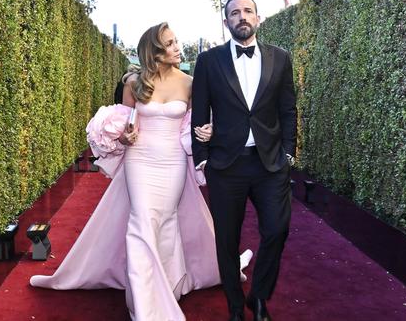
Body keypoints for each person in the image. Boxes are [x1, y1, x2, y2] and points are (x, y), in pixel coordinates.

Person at [31, 22, 251, 321]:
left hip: (172, 161)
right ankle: (143, 305)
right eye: (170, 44)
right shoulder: (135, 83)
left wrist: (207, 133)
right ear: (155, 53)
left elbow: (200, 123)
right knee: (141, 222)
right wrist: (123, 137)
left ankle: (171, 284)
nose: (177, 47)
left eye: (176, 41)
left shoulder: (190, 83)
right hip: (140, 160)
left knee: (167, 222)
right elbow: (125, 122)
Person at [191, 0, 297, 321]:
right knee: (227, 240)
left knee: (277, 231)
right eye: (235, 13)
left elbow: (288, 109)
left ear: (258, 17)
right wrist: (203, 157)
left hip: (270, 163)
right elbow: (200, 112)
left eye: (248, 11)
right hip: (226, 165)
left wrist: (289, 152)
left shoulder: (280, 58)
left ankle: (259, 297)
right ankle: (236, 308)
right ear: (226, 22)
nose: (242, 17)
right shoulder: (209, 61)